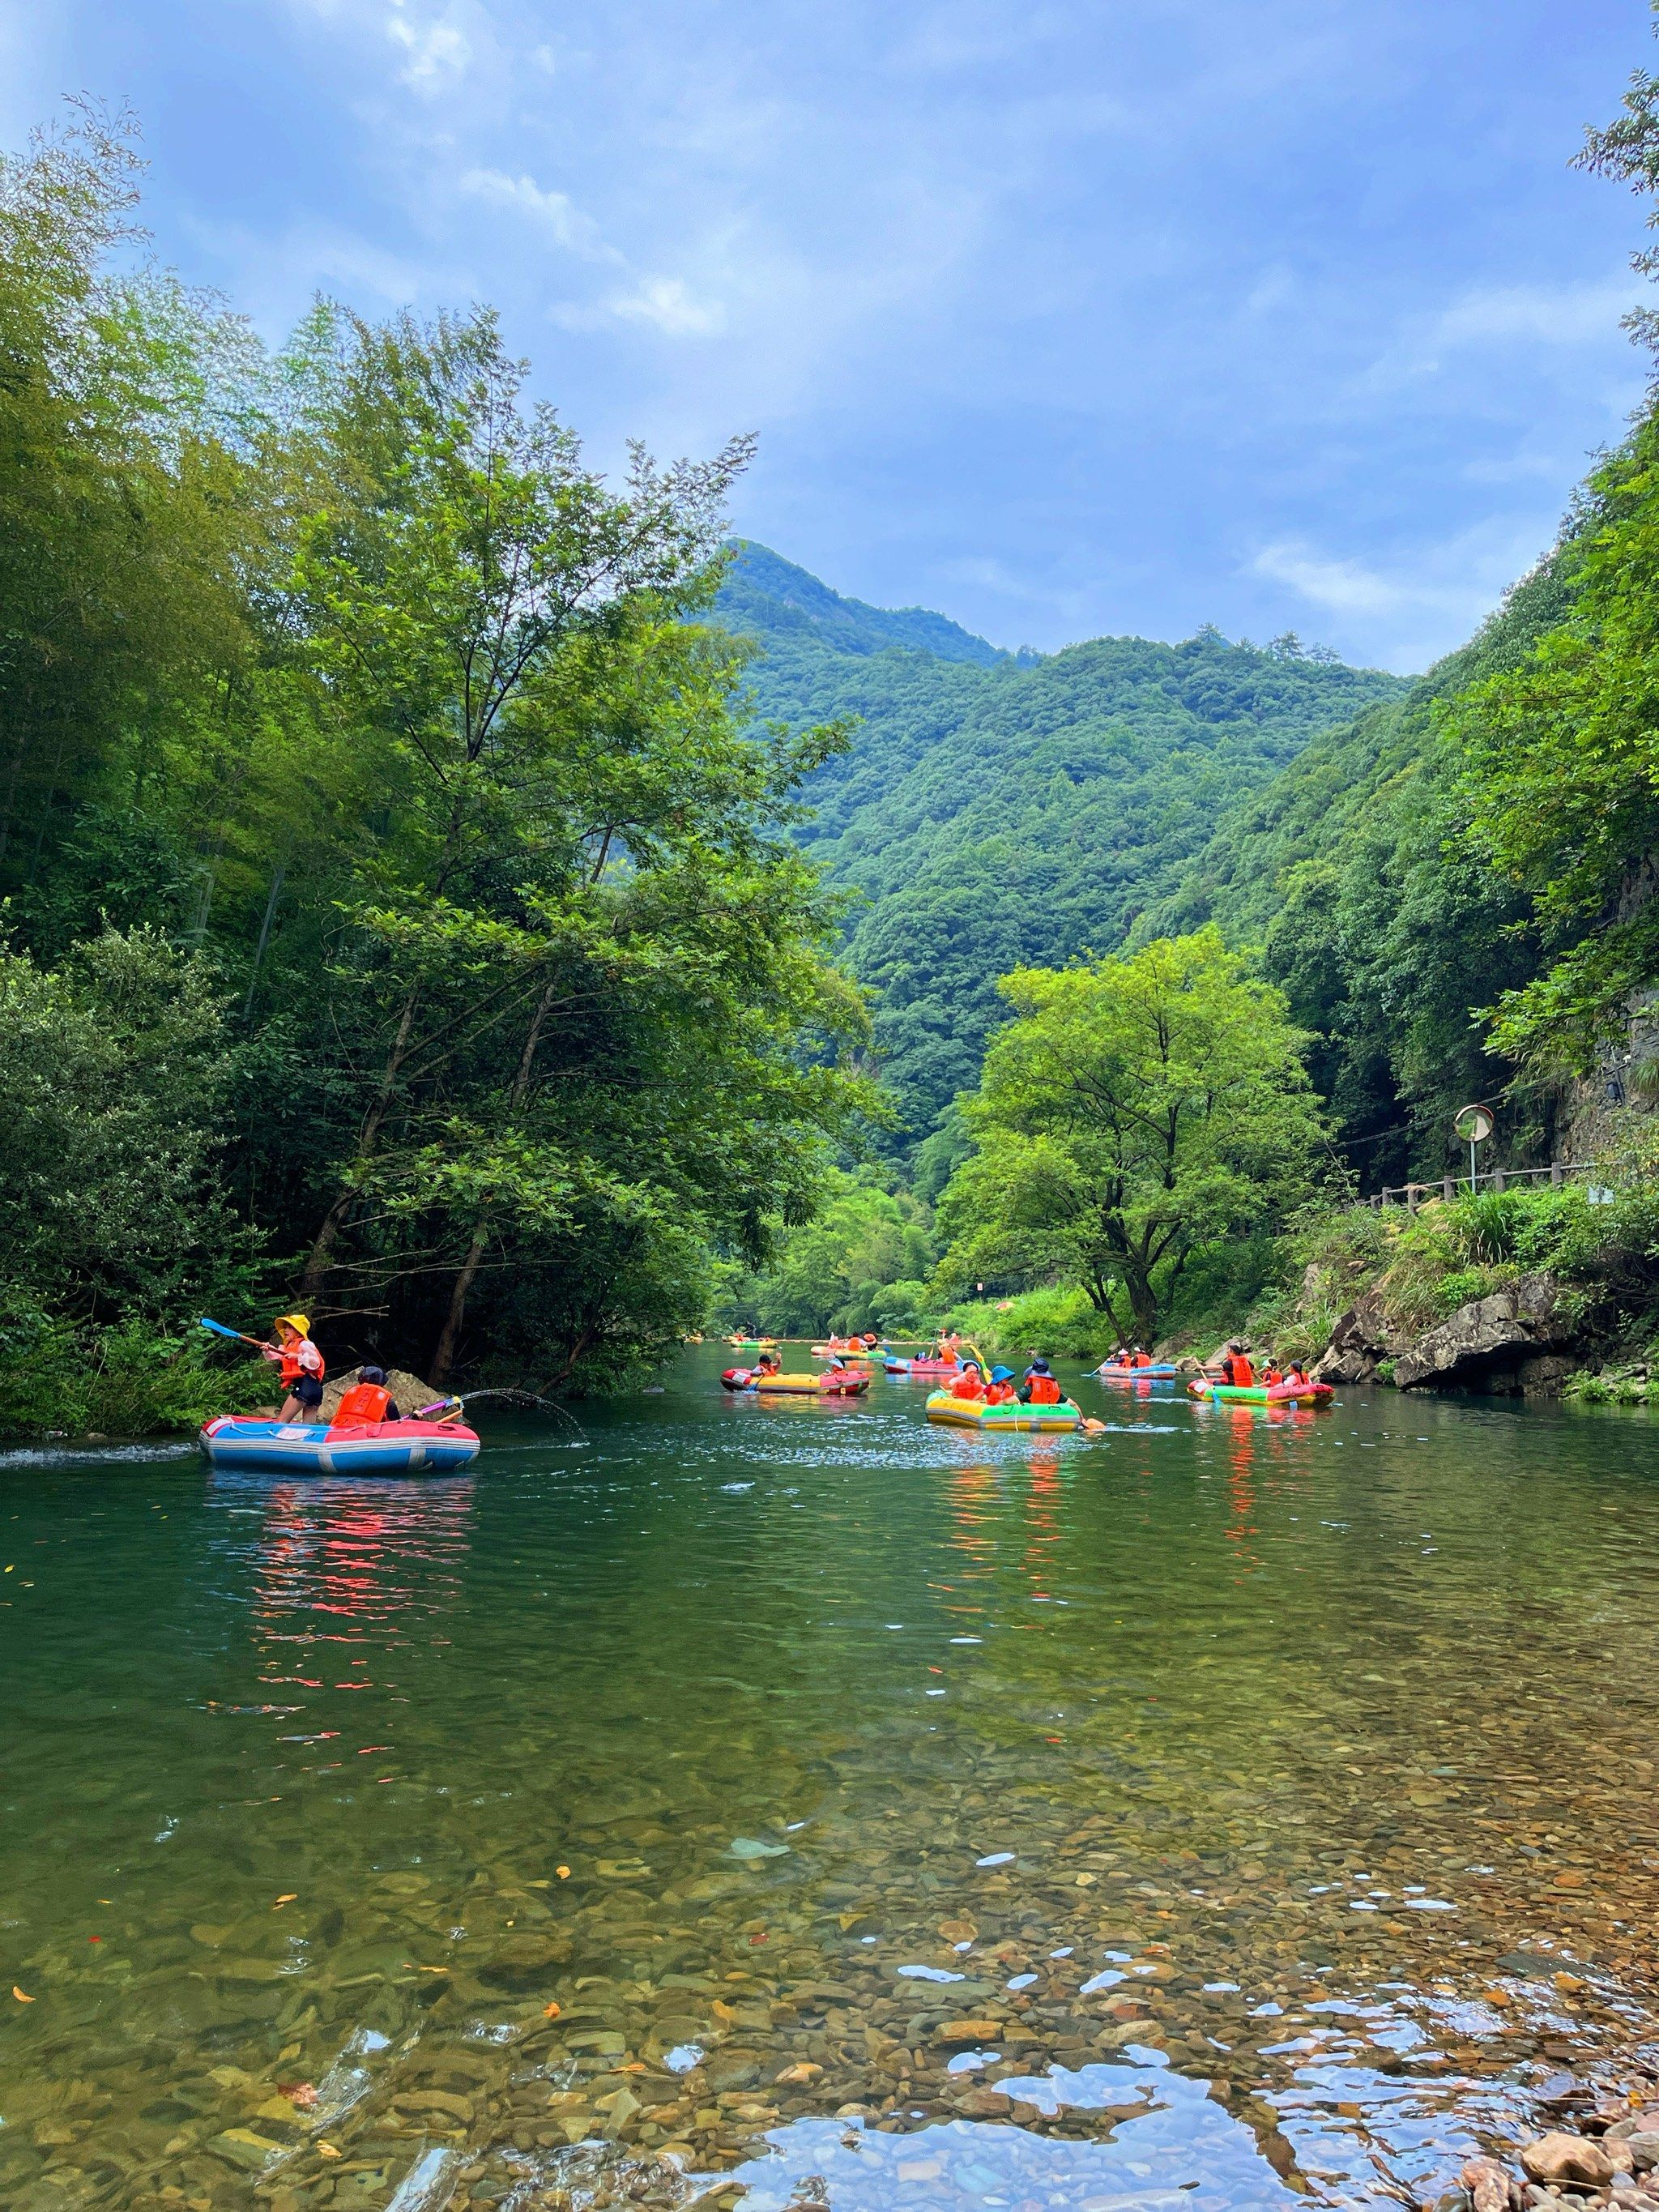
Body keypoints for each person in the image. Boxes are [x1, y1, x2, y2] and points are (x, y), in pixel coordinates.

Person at [262, 1313, 326, 1424]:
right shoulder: (289, 1346)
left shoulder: (305, 1344)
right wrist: (268, 1349)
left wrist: (298, 1356)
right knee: (308, 1428)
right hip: (315, 1390)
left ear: (298, 1331)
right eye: (285, 1327)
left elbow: (316, 1362)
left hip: (305, 1387)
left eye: (290, 1327)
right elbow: (277, 1355)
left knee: (281, 1421)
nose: (286, 1330)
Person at [330, 1364, 403, 1430]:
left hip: (338, 1430)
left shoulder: (351, 1392)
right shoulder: (386, 1399)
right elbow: (396, 1422)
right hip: (366, 1433)